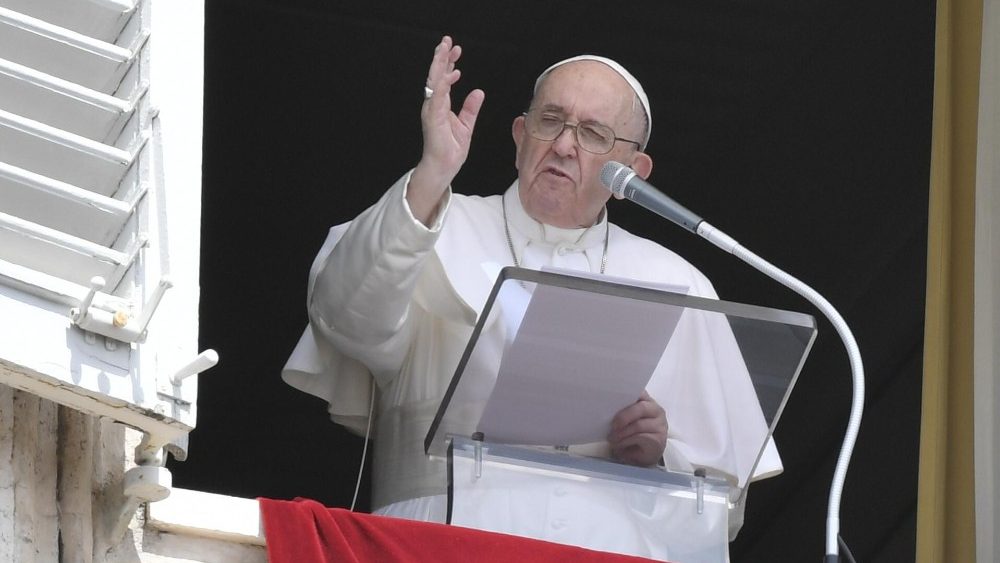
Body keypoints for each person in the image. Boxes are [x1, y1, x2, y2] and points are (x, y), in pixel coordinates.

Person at [282, 36, 780, 560]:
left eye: (593, 133)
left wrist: (656, 459)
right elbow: (344, 316)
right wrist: (432, 173)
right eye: (550, 121)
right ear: (520, 136)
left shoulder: (678, 282)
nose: (564, 145)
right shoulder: (435, 223)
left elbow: (725, 508)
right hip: (433, 544)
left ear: (632, 171)